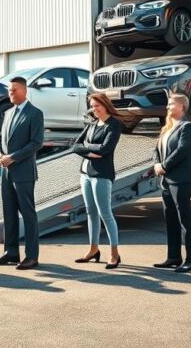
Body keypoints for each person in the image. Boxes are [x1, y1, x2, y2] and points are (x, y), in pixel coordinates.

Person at [0, 76, 45, 270]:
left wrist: (12, 157)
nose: (10, 93)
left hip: (23, 173)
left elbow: (36, 143)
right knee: (9, 213)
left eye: (14, 90)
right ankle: (11, 252)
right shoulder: (7, 113)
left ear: (24, 90)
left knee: (28, 214)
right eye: (9, 90)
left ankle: (31, 256)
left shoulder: (35, 113)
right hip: (6, 172)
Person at [72, 93, 122, 269]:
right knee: (90, 213)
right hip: (85, 173)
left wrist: (88, 147)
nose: (94, 109)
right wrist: (91, 150)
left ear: (105, 104)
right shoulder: (92, 125)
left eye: (97, 106)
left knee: (105, 214)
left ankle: (114, 254)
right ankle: (93, 249)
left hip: (101, 174)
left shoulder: (114, 125)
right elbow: (75, 145)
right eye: (92, 106)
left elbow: (106, 149)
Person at [152, 93, 191, 273]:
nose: (167, 107)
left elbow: (182, 150)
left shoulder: (187, 127)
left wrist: (164, 165)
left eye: (171, 104)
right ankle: (173, 257)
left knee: (184, 219)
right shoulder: (168, 128)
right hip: (165, 179)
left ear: (181, 106)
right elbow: (156, 149)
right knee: (170, 219)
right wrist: (157, 163)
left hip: (180, 180)